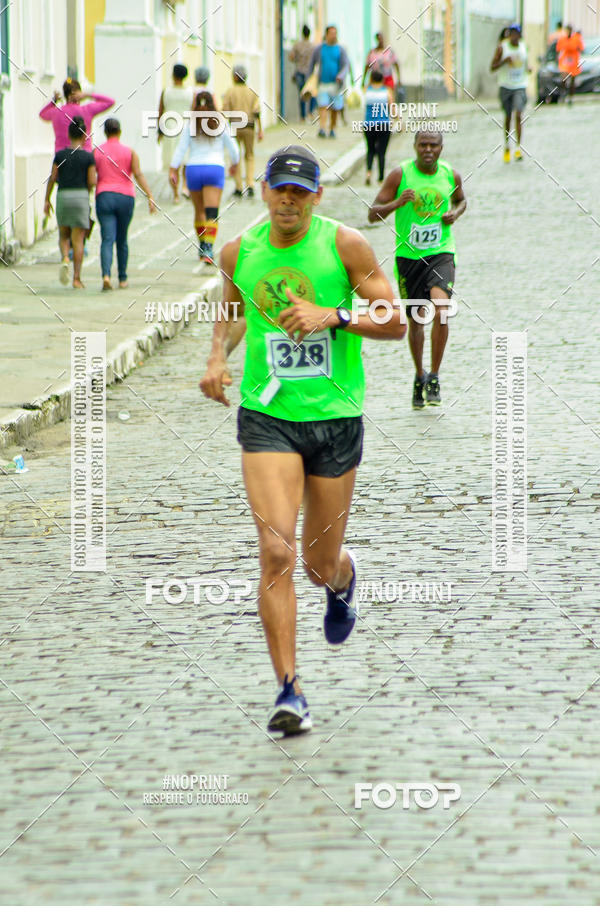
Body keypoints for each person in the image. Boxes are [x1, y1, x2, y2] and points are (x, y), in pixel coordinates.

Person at [199, 146, 405, 735]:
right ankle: (289, 691)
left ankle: (342, 577)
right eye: (280, 189)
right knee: (275, 552)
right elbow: (234, 313)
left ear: (317, 195)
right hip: (268, 416)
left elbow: (395, 321)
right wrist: (217, 358)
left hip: (335, 418)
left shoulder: (345, 246)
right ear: (264, 190)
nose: (288, 200)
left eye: (300, 191)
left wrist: (332, 316)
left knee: (316, 564)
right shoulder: (239, 252)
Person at [368, 129, 466, 409]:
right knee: (417, 321)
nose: (428, 150)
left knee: (442, 310)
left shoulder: (450, 175)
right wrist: (397, 203)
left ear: (441, 148)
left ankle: (434, 376)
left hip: (441, 253)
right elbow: (372, 214)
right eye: (423, 145)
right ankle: (419, 375)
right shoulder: (400, 175)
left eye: (433, 145)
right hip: (408, 258)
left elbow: (461, 200)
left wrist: (455, 213)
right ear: (415, 147)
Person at [169, 91, 239, 264]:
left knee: (199, 211)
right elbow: (234, 149)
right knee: (211, 212)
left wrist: (173, 169)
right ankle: (208, 248)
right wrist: (234, 164)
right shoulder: (221, 122)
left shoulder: (190, 124)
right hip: (214, 169)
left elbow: (180, 149)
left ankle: (202, 246)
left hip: (193, 169)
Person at [94, 118, 157, 291]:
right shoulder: (130, 152)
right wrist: (149, 195)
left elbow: (91, 177)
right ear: (119, 132)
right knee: (122, 239)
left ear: (105, 132)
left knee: (107, 239)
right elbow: (138, 174)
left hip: (104, 196)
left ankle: (106, 276)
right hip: (125, 197)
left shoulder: (97, 151)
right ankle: (122, 278)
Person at [43, 116, 96, 289]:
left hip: (63, 196)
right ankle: (77, 279)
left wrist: (47, 199)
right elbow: (92, 181)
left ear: (68, 134)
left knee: (64, 235)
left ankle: (65, 257)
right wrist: (87, 192)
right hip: (80, 197)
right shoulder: (88, 157)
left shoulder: (60, 155)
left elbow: (53, 178)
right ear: (84, 136)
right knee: (78, 239)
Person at [39, 78, 114, 152]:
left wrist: (54, 100)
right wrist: (88, 95)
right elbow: (110, 102)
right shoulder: (87, 110)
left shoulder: (56, 112)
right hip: (84, 154)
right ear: (79, 93)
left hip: (62, 155)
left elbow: (42, 114)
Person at [221, 64, 263, 198]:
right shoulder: (252, 92)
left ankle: (238, 186)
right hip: (249, 126)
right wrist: (260, 130)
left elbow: (225, 110)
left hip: (234, 126)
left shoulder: (230, 91)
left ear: (234, 77)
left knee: (235, 155)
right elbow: (257, 112)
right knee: (249, 155)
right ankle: (250, 183)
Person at [490, 23, 529, 162]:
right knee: (508, 116)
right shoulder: (502, 47)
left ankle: (518, 148)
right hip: (505, 86)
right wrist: (504, 61)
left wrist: (529, 69)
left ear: (519, 35)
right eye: (511, 33)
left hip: (520, 86)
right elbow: (492, 67)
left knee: (518, 114)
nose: (513, 36)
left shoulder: (523, 47)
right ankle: (507, 146)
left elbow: (526, 64)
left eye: (516, 34)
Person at [158, 64, 194, 203]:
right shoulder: (190, 93)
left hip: (170, 128)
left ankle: (175, 195)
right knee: (186, 160)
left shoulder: (166, 91)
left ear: (173, 75)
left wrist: (159, 131)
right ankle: (185, 186)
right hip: (186, 128)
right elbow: (194, 112)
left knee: (173, 163)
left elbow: (160, 112)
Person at [306, 25, 350, 138]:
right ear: (326, 35)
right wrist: (309, 80)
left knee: (335, 108)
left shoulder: (340, 49)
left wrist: (341, 76)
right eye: (331, 33)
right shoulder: (319, 49)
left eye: (335, 33)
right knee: (323, 105)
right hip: (323, 84)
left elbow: (346, 65)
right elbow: (312, 64)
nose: (333, 36)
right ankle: (322, 128)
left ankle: (332, 128)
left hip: (336, 85)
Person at [363, 69, 393, 186]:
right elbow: (392, 108)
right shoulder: (387, 92)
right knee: (381, 152)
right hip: (383, 125)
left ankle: (368, 173)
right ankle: (380, 178)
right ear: (382, 79)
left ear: (371, 79)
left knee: (370, 150)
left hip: (369, 125)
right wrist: (398, 120)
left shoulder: (366, 90)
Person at [289, 25, 317, 122]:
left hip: (300, 71)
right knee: (312, 93)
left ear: (302, 33)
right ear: (309, 34)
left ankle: (302, 116)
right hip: (310, 72)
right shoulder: (313, 46)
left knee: (301, 94)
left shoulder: (297, 45)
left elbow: (291, 57)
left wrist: (298, 59)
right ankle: (311, 112)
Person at [556, 26, 584, 105]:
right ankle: (563, 93)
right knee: (563, 78)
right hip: (565, 61)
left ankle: (571, 97)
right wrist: (557, 59)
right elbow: (558, 50)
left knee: (572, 81)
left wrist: (578, 48)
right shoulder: (562, 39)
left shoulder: (576, 39)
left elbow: (581, 49)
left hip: (574, 61)